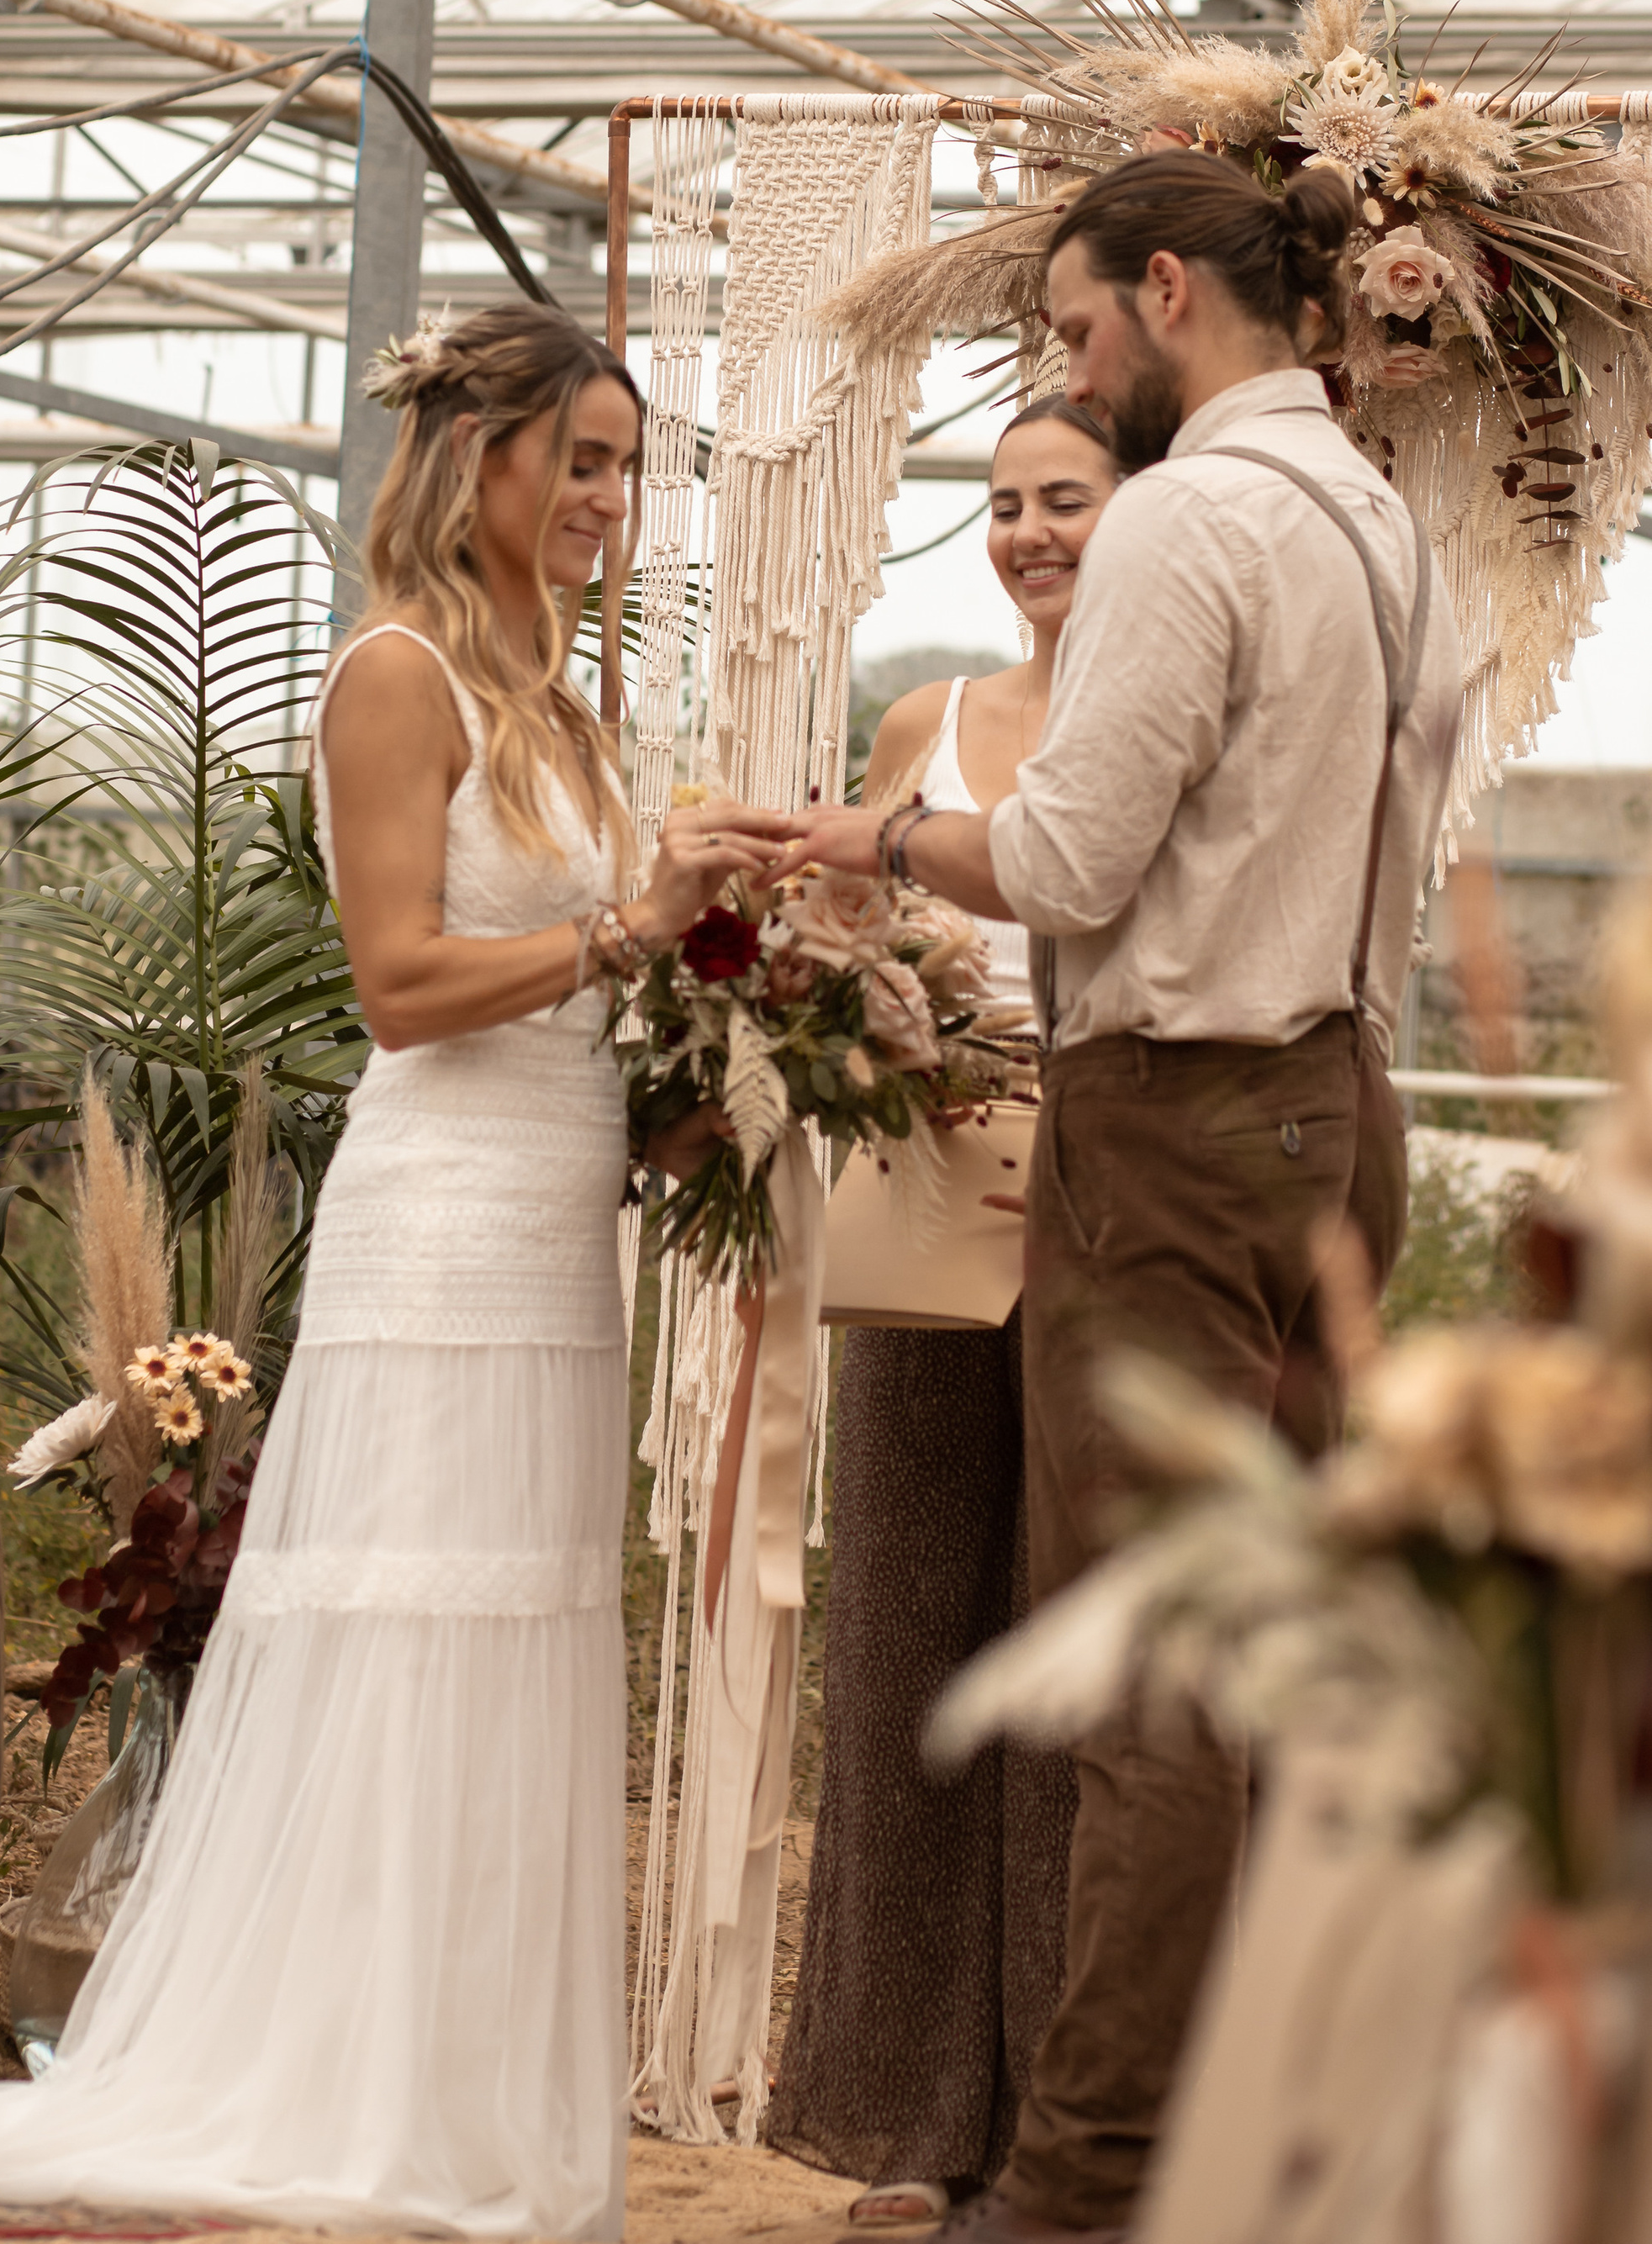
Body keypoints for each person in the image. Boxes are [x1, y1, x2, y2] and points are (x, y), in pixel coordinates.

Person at [0, 302, 800, 2238]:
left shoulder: (559, 694)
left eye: (622, 464)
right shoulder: (391, 676)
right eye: (576, 456)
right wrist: (633, 935)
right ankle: (339, 2080)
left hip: (557, 1225)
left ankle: (463, 2085)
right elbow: (401, 992)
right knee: (408, 1627)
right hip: (434, 1233)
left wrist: (696, 1096)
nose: (604, 499)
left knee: (520, 1631)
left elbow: (578, 990)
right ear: (472, 457)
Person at [789, 155, 1459, 2243]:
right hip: (1337, 1105)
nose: (1077, 373)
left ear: (1165, 291)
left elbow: (1066, 865)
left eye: (1079, 330)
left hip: (1175, 1116)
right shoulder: (1377, 519)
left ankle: (1083, 2187)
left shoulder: (1189, 514)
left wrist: (875, 840)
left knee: (1154, 1675)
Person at [769, 400, 1117, 2223]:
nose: (1024, 533)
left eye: (1062, 499)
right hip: (923, 1227)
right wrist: (868, 1021)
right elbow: (825, 953)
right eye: (998, 506)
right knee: (907, 1659)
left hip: (1104, 1233)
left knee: (1074, 1676)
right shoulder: (927, 728)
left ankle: (1058, 2138)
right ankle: (903, 2125)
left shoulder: (1161, 723)